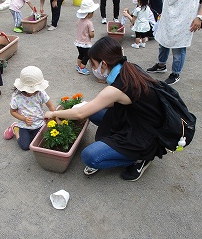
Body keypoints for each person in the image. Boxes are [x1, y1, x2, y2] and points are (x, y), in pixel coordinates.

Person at [44, 36, 167, 181]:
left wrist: (53, 113)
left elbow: (80, 114)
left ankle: (140, 157)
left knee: (90, 157)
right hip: (136, 119)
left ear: (104, 63)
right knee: (93, 111)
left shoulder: (118, 87)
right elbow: (110, 103)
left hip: (143, 134)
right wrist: (89, 105)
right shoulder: (128, 68)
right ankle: (118, 145)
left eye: (93, 64)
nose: (93, 68)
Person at [146, 0, 202, 85]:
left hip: (185, 15)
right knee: (163, 38)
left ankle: (175, 73)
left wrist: (200, 16)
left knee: (178, 45)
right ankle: (161, 65)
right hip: (168, 11)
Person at [3, 66, 57, 151]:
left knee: (40, 143)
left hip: (39, 123)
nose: (35, 91)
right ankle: (15, 129)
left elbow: (50, 106)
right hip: (24, 125)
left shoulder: (40, 92)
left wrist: (56, 117)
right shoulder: (16, 96)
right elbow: (12, 111)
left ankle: (29, 134)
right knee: (25, 146)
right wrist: (24, 119)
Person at [74, 0, 99, 75]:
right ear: (89, 13)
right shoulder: (89, 23)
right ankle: (82, 68)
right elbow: (91, 34)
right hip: (85, 43)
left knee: (80, 54)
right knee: (87, 55)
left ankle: (78, 65)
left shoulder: (79, 20)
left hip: (78, 42)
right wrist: (92, 34)